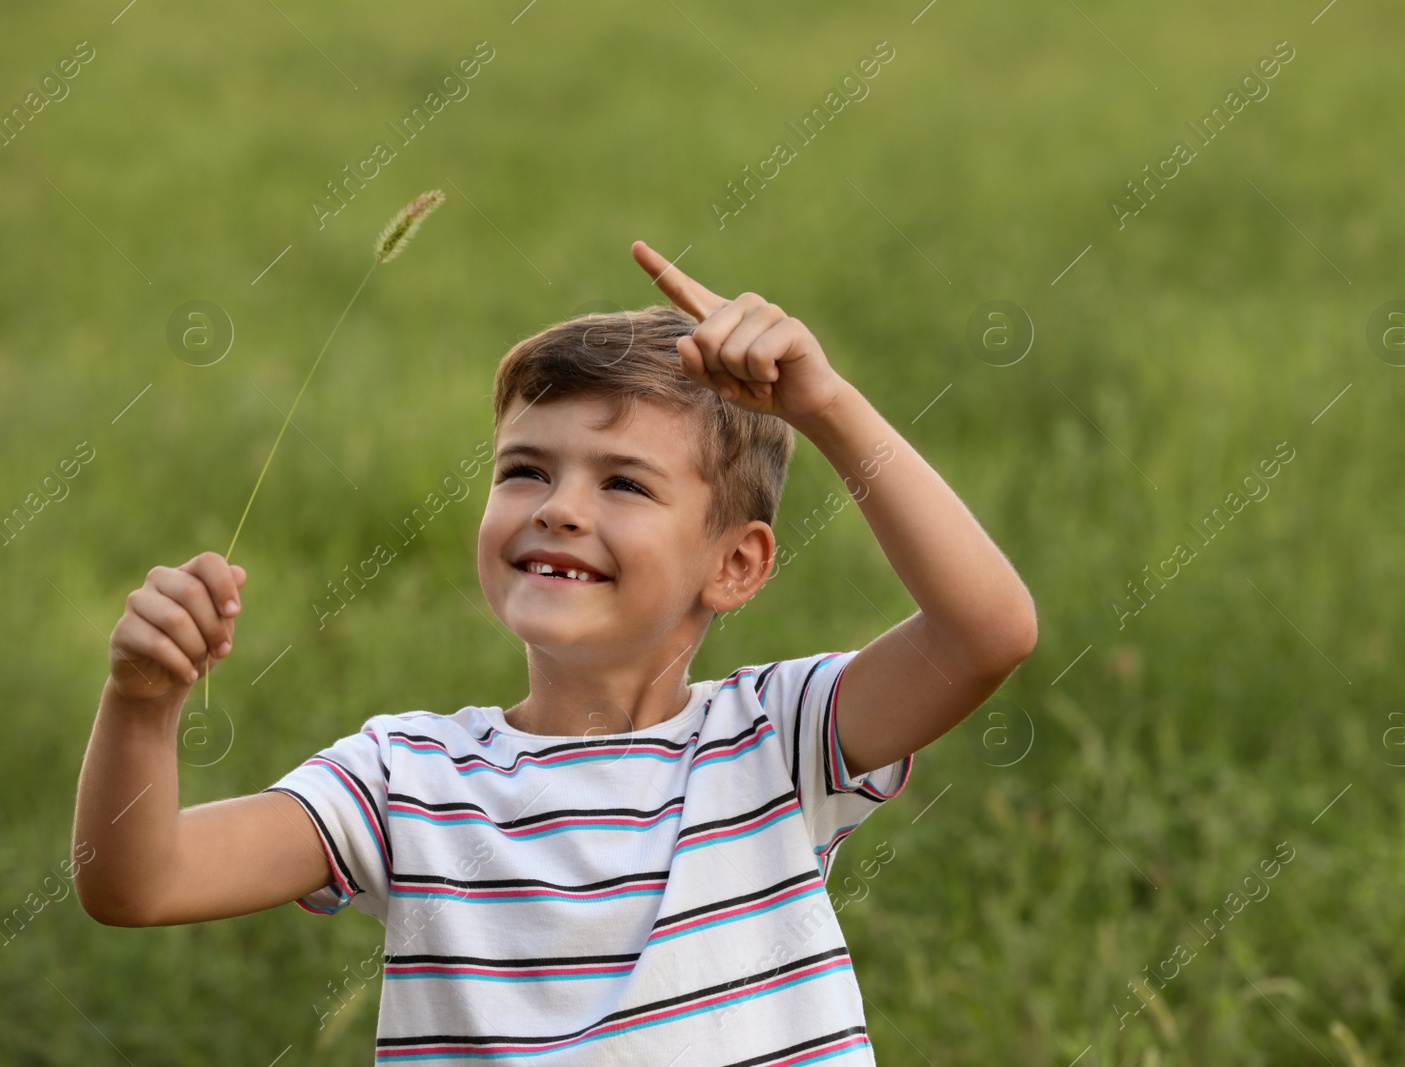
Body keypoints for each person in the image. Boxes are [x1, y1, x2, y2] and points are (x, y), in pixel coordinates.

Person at [72, 240, 1037, 1064]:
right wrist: (143, 704)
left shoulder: (775, 744)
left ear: (737, 564)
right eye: (525, 469)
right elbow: (139, 881)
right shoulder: (406, 780)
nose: (559, 506)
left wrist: (825, 406)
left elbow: (985, 632)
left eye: (624, 483)